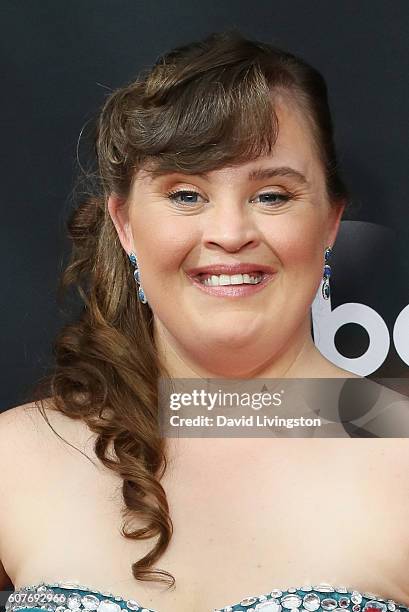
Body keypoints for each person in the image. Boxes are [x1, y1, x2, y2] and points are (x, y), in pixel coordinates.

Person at [1, 29, 408, 612]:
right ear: (125, 226)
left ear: (329, 223)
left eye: (272, 195)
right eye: (186, 194)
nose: (229, 233)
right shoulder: (15, 457)